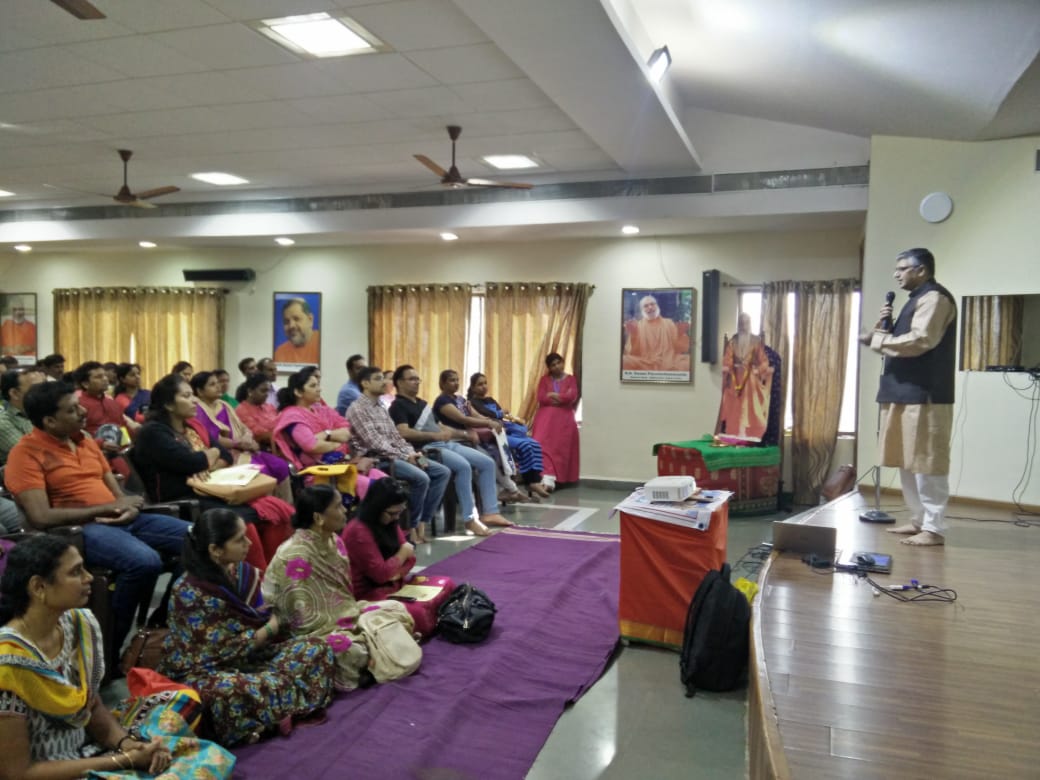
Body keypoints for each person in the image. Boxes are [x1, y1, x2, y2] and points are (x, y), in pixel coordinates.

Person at [0, 535, 235, 778]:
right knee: (192, 769)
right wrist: (123, 761)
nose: (89, 578)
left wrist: (126, 744)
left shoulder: (77, 624)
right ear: (39, 587)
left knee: (184, 703)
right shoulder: (8, 666)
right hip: (54, 771)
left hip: (89, 749)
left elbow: (92, 704)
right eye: (76, 572)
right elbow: (19, 773)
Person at [5, 381, 190, 652]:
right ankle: (108, 646)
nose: (83, 412)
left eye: (79, 404)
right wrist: (104, 509)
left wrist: (129, 508)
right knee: (144, 562)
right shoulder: (25, 453)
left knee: (199, 539)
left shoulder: (86, 441)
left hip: (122, 520)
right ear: (49, 420)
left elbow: (119, 495)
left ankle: (158, 622)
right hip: (79, 530)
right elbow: (41, 516)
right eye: (72, 410)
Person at [159, 509, 335, 745]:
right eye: (239, 539)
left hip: (253, 657)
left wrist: (275, 619)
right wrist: (272, 627)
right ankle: (284, 705)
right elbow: (223, 649)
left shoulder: (242, 573)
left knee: (317, 648)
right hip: (207, 670)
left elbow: (266, 613)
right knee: (228, 693)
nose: (249, 543)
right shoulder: (189, 592)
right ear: (215, 550)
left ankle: (273, 713)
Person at [262, 484, 418, 690]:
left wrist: (348, 616)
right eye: (337, 507)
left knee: (397, 610)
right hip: (316, 628)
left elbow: (344, 593)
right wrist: (339, 622)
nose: (345, 510)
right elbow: (298, 615)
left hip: (347, 611)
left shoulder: (334, 540)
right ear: (319, 518)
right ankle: (376, 656)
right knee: (348, 649)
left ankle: (378, 655)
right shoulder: (294, 555)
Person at [133, 374, 292, 569]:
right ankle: (253, 579)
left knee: (274, 510)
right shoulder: (153, 432)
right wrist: (209, 456)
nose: (193, 401)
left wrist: (209, 460)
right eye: (186, 396)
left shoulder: (193, 427)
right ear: (168, 404)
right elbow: (192, 462)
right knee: (241, 525)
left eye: (192, 395)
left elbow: (225, 455)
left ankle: (274, 573)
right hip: (181, 499)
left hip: (211, 490)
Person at [861, 247, 956, 547]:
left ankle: (935, 527)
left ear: (922, 270)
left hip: (925, 394)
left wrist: (877, 340)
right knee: (906, 459)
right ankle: (919, 520)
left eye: (902, 268)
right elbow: (898, 340)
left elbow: (921, 340)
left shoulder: (935, 298)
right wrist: (882, 327)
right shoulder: (914, 301)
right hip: (902, 392)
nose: (896, 274)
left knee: (927, 461)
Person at [390, 364, 514, 537]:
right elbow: (403, 432)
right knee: (463, 467)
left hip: (446, 443)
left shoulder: (422, 403)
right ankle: (470, 519)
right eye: (411, 379)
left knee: (487, 462)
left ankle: (490, 512)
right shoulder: (398, 406)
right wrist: (434, 437)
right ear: (399, 382)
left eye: (418, 379)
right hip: (426, 448)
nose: (416, 382)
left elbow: (440, 427)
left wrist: (463, 434)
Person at [346, 366, 454, 541]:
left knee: (442, 472)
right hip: (378, 459)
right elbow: (375, 442)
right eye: (379, 379)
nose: (385, 382)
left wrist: (412, 453)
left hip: (398, 454)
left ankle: (422, 523)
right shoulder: (357, 408)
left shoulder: (380, 407)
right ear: (365, 383)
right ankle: (409, 527)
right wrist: (406, 456)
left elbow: (396, 437)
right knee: (422, 478)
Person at [342, 478, 454, 638]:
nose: (397, 518)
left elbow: (411, 559)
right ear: (377, 508)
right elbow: (381, 574)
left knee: (446, 585)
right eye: (393, 513)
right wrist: (401, 554)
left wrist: (395, 571)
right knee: (419, 614)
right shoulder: (358, 530)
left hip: (396, 584)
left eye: (400, 512)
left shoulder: (388, 521)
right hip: (369, 595)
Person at [272, 366, 385, 501]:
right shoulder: (292, 416)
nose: (319, 389)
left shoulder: (322, 410)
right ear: (298, 392)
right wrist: (336, 440)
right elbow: (312, 446)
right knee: (378, 490)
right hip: (319, 473)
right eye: (313, 386)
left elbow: (346, 432)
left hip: (342, 465)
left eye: (318, 385)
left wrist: (326, 435)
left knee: (385, 482)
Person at [190, 371, 291, 501]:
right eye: (212, 384)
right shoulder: (199, 410)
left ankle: (286, 508)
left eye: (218, 383)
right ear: (200, 391)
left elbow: (242, 428)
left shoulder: (224, 405)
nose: (218, 386)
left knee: (280, 465)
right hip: (224, 453)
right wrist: (238, 443)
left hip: (243, 448)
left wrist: (249, 439)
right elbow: (211, 439)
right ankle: (266, 512)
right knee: (261, 471)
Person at [433, 369, 528, 503]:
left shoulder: (460, 399)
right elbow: (463, 419)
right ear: (442, 383)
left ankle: (509, 491)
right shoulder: (442, 401)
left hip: (471, 438)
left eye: (457, 380)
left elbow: (475, 415)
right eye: (451, 380)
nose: (455, 383)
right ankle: (506, 493)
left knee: (496, 453)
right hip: (456, 440)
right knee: (487, 459)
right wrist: (488, 423)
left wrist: (492, 421)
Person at [468, 372, 552, 498]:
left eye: (485, 383)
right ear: (473, 387)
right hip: (496, 434)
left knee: (535, 444)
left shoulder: (490, 400)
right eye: (480, 384)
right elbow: (491, 414)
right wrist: (500, 413)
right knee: (524, 445)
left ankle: (535, 481)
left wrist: (500, 414)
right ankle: (530, 481)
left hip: (506, 429)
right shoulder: (472, 403)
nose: (484, 386)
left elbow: (500, 414)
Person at [715, 312, 774, 441]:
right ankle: (735, 430)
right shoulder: (732, 342)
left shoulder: (756, 341)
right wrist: (729, 367)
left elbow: (764, 361)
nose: (743, 326)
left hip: (751, 378)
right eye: (741, 323)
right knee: (732, 393)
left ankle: (749, 430)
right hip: (735, 376)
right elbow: (727, 360)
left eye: (746, 323)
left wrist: (758, 370)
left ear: (749, 324)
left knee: (750, 387)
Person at [530, 353, 580, 488]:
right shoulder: (544, 380)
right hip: (545, 421)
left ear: (563, 363)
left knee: (560, 449)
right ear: (549, 368)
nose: (557, 366)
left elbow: (571, 396)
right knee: (542, 446)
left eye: (559, 363)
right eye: (553, 365)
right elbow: (541, 398)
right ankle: (545, 478)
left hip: (564, 421)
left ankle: (557, 480)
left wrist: (553, 395)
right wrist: (561, 398)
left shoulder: (571, 379)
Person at [622, 294, 690, 373]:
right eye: (646, 306)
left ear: (657, 306)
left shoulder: (668, 323)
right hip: (646, 362)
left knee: (689, 362)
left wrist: (680, 334)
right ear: (642, 310)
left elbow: (680, 349)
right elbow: (632, 353)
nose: (650, 307)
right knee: (624, 360)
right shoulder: (638, 326)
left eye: (652, 304)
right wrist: (634, 335)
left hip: (668, 361)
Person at [0, 368, 44, 466]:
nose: (48, 393)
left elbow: (84, 439)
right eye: (38, 388)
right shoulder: (3, 423)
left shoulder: (49, 414)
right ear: (15, 393)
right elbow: (33, 455)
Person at [235, 373, 278, 449]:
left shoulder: (269, 407)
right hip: (258, 449)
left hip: (277, 445)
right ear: (250, 391)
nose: (267, 394)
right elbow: (257, 434)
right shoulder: (242, 410)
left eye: (268, 391)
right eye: (263, 391)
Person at [273, 298, 320, 365]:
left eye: (296, 319)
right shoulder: (280, 353)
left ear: (310, 320)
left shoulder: (322, 344)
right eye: (286, 321)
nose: (291, 326)